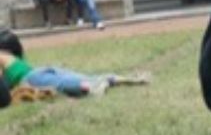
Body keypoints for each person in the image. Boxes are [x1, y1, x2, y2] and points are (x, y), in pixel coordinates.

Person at [0, 29, 148, 98]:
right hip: (40, 71)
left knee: (70, 85)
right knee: (83, 77)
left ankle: (94, 88)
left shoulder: (2, 57)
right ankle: (116, 78)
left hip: (32, 79)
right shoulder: (15, 59)